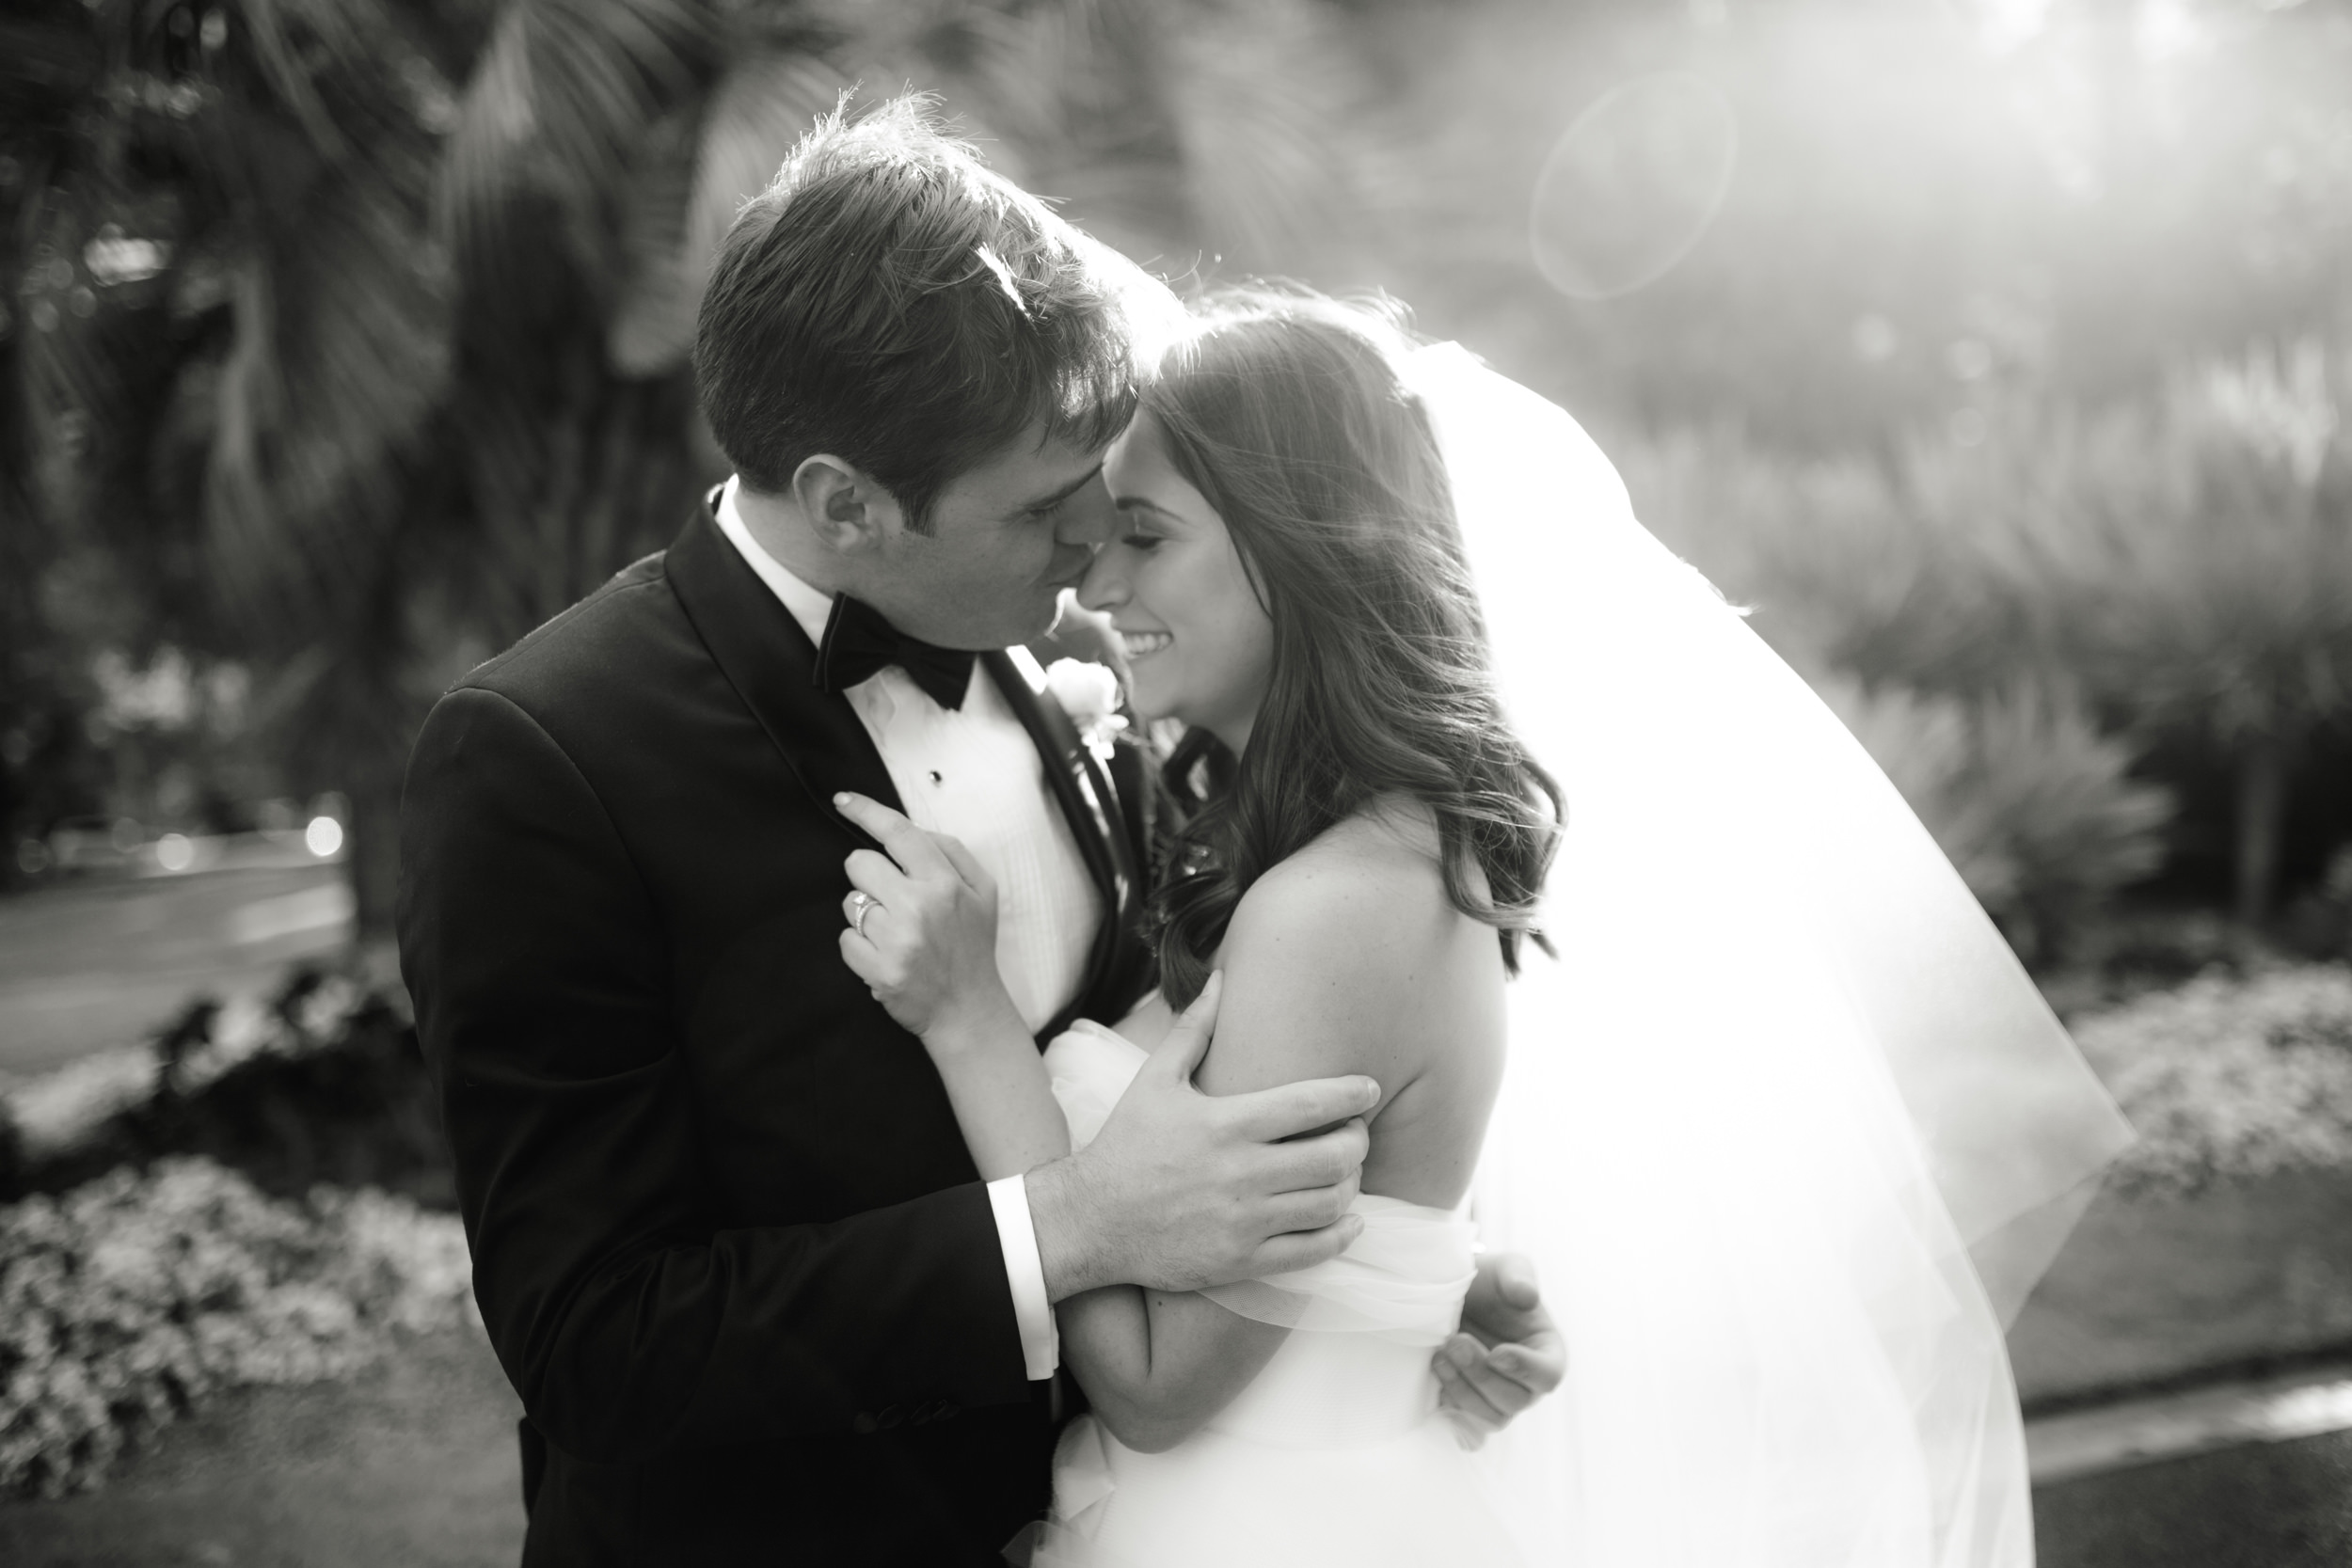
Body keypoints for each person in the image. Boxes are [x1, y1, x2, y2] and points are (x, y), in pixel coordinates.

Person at [394, 100, 1560, 1567]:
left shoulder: (1081, 689)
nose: (1089, 553)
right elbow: (597, 1342)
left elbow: (1232, 1069)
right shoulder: (544, 760)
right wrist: (1063, 1231)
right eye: (1043, 510)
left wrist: (1396, 1303)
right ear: (848, 503)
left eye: (1108, 500)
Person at [834, 286, 2136, 1567]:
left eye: (1145, 535)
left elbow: (1161, 1388)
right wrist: (1432, 1293)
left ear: (1302, 552)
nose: (1092, 584)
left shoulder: (1332, 907)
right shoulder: (1369, 851)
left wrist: (973, 1023)